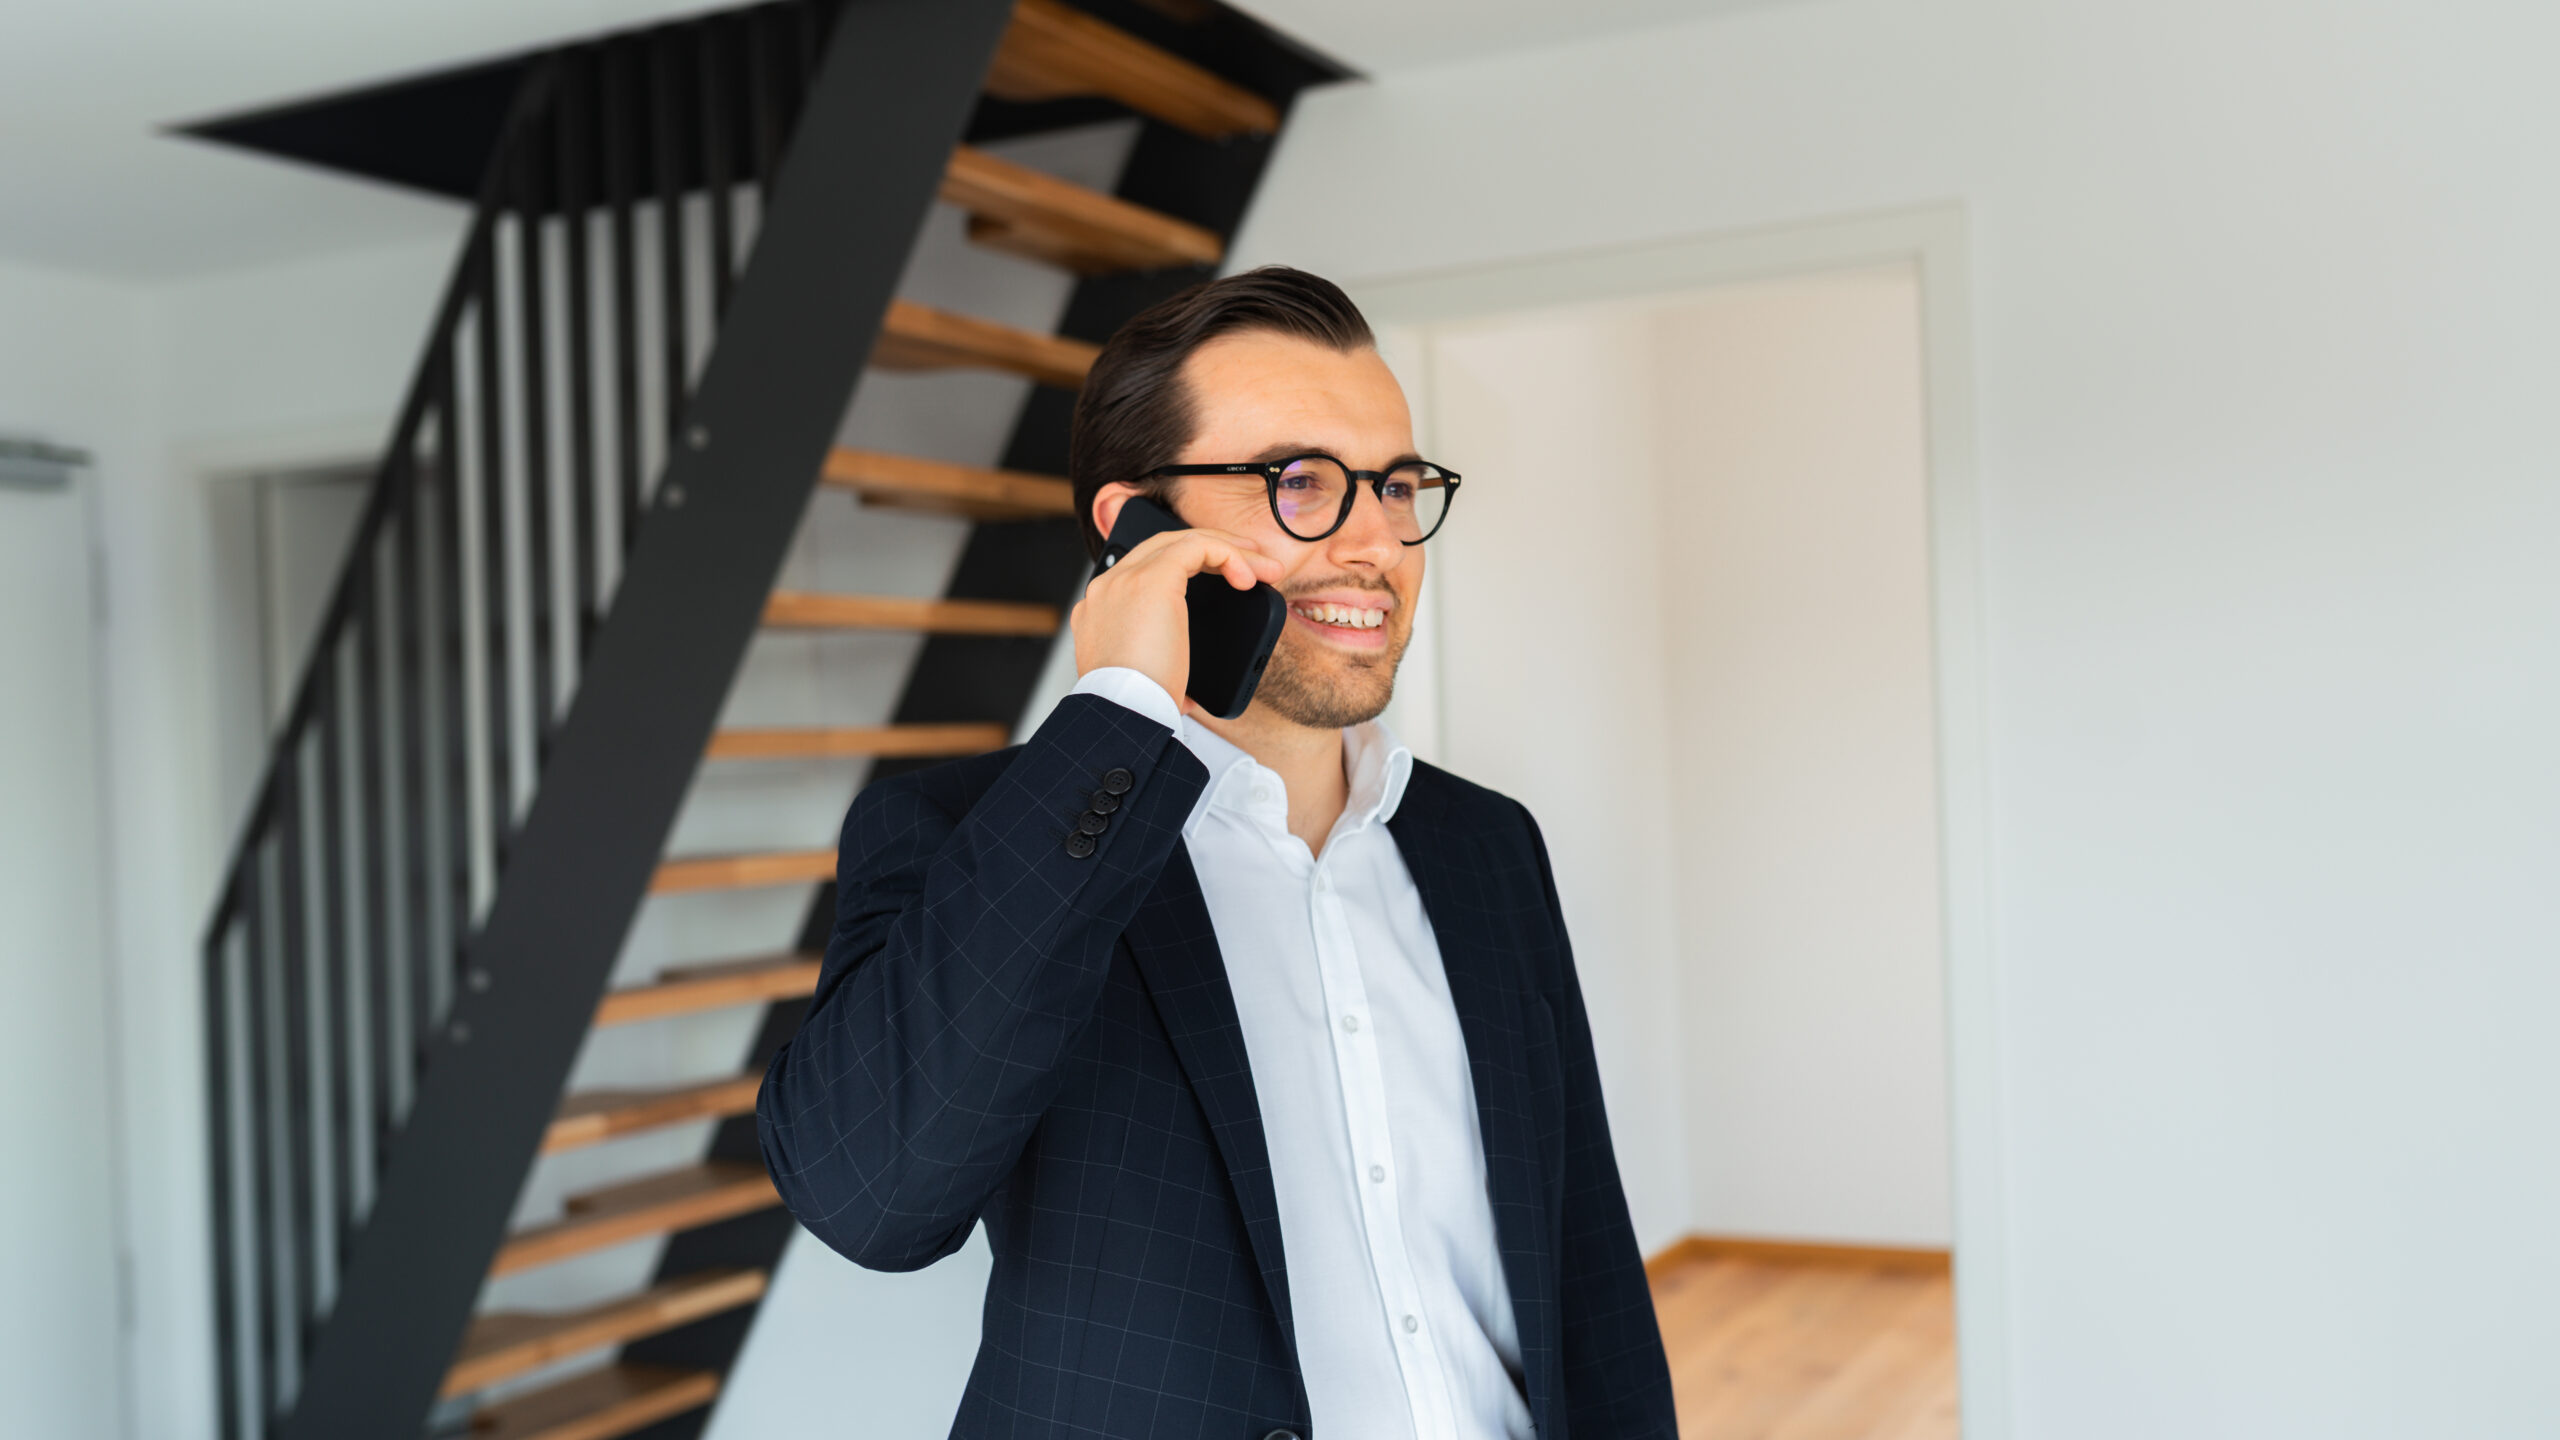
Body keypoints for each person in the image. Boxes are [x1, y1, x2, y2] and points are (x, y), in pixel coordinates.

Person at [758, 267, 1675, 1440]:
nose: (1376, 544)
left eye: (1396, 485)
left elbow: (1582, 1264)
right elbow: (869, 1197)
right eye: (1301, 484)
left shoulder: (1486, 847)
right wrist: (1121, 714)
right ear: (1133, 527)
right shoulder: (971, 840)